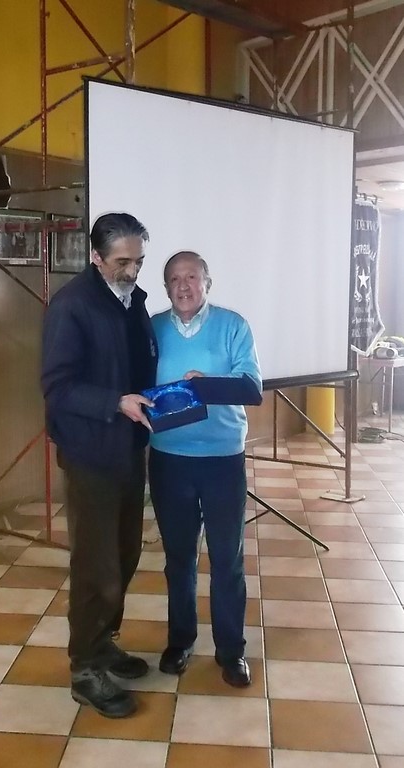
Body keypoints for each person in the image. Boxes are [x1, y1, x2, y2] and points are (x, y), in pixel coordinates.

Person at [41, 212, 157, 718]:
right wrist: (116, 402)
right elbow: (57, 387)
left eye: (139, 261)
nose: (132, 271)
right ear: (95, 256)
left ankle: (103, 642)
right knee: (96, 566)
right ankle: (85, 669)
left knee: (125, 554)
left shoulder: (132, 300)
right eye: (122, 262)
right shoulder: (72, 305)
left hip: (128, 449)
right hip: (91, 454)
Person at [148, 250, 262, 687]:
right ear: (166, 287)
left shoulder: (233, 326)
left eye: (192, 277)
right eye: (174, 279)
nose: (183, 286)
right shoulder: (153, 328)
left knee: (227, 558)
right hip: (169, 459)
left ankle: (231, 651)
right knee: (178, 558)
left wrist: (205, 387)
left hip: (222, 460)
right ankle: (180, 642)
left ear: (207, 283)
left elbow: (251, 388)